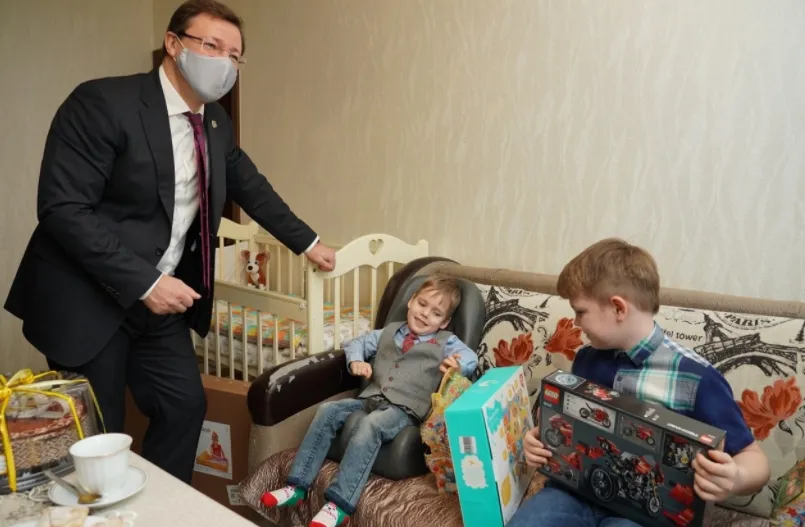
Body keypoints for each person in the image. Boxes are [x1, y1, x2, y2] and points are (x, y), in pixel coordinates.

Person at [3, 0, 335, 484]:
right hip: (89, 294)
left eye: (235, 56)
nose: (225, 63)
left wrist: (309, 243)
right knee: (100, 431)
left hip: (158, 304)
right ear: (174, 44)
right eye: (212, 46)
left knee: (183, 405)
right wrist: (146, 282)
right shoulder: (103, 103)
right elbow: (63, 209)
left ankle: (160, 506)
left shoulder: (215, 123)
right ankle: (100, 513)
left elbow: (250, 185)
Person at [509, 239, 769, 527]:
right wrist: (539, 439)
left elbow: (753, 457)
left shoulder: (697, 378)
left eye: (580, 311)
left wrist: (736, 477)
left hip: (641, 514)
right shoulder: (585, 359)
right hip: (574, 492)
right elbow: (570, 424)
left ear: (618, 308)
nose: (576, 323)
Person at [260, 275, 478, 527]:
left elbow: (469, 358)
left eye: (436, 313)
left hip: (403, 410)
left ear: (445, 322)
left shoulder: (446, 342)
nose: (425, 314)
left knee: (370, 425)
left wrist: (458, 365)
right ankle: (297, 486)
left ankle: (339, 505)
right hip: (370, 398)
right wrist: (356, 361)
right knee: (329, 410)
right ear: (411, 301)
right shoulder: (388, 332)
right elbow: (357, 344)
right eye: (422, 304)